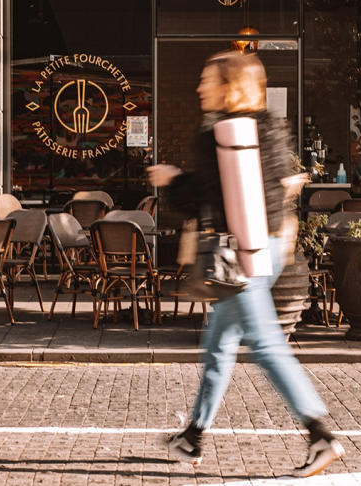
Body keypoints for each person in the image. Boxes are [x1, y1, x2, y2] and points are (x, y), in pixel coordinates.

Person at [147, 51, 344, 478]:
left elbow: (201, 201)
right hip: (267, 248)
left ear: (228, 86)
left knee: (268, 347)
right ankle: (193, 435)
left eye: (206, 80)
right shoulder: (269, 128)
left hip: (238, 256)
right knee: (218, 344)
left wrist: (169, 179)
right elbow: (273, 189)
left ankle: (320, 435)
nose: (199, 87)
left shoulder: (218, 132)